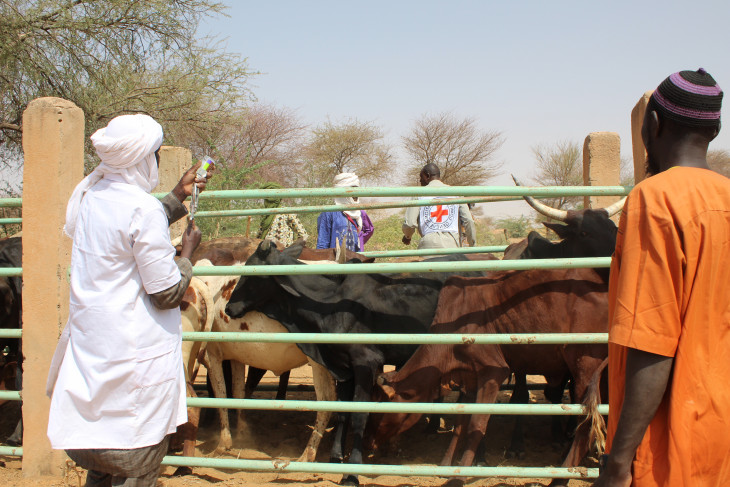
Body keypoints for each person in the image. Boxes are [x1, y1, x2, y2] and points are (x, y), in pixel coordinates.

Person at [45, 114, 213, 487]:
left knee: (101, 465)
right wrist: (186, 255)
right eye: (153, 156)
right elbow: (167, 293)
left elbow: (121, 232)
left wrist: (177, 195)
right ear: (141, 159)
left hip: (94, 355)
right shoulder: (142, 207)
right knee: (134, 467)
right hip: (133, 363)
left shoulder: (91, 196)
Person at [594, 69, 730, 487]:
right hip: (719, 428)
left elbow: (651, 344)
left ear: (651, 126)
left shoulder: (653, 200)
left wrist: (619, 459)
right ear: (714, 130)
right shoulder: (725, 198)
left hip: (670, 442)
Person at [402, 163, 476, 249]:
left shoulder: (419, 194)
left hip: (428, 246)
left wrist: (408, 236)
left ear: (427, 176)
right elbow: (469, 221)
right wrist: (472, 246)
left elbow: (410, 223)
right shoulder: (456, 193)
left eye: (421, 178)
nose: (420, 181)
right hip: (452, 246)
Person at [316, 172, 374, 252]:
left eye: (357, 190)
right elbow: (322, 243)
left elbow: (369, 229)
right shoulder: (329, 213)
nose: (355, 195)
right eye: (352, 191)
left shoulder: (360, 212)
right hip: (336, 260)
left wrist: (360, 241)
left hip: (356, 258)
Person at [256, 182, 309, 247]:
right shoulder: (265, 214)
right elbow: (259, 236)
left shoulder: (286, 212)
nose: (267, 202)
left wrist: (292, 250)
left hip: (282, 253)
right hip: (266, 252)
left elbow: (303, 234)